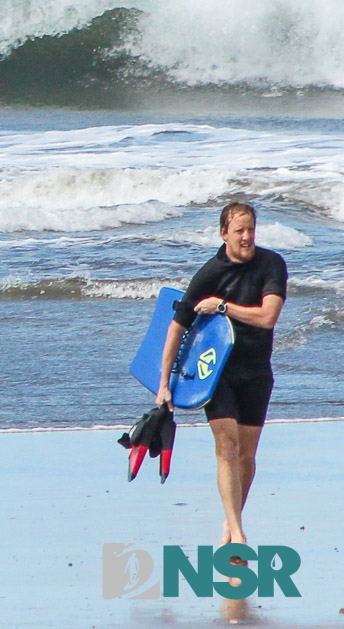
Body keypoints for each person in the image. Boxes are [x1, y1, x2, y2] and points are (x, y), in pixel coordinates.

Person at [156, 202, 287, 553]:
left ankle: (230, 525)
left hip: (257, 371)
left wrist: (223, 306)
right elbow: (175, 328)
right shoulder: (209, 274)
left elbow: (267, 318)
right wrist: (164, 384)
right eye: (239, 231)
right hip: (218, 374)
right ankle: (239, 537)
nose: (246, 237)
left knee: (246, 456)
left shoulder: (271, 264)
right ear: (223, 233)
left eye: (251, 230)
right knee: (227, 448)